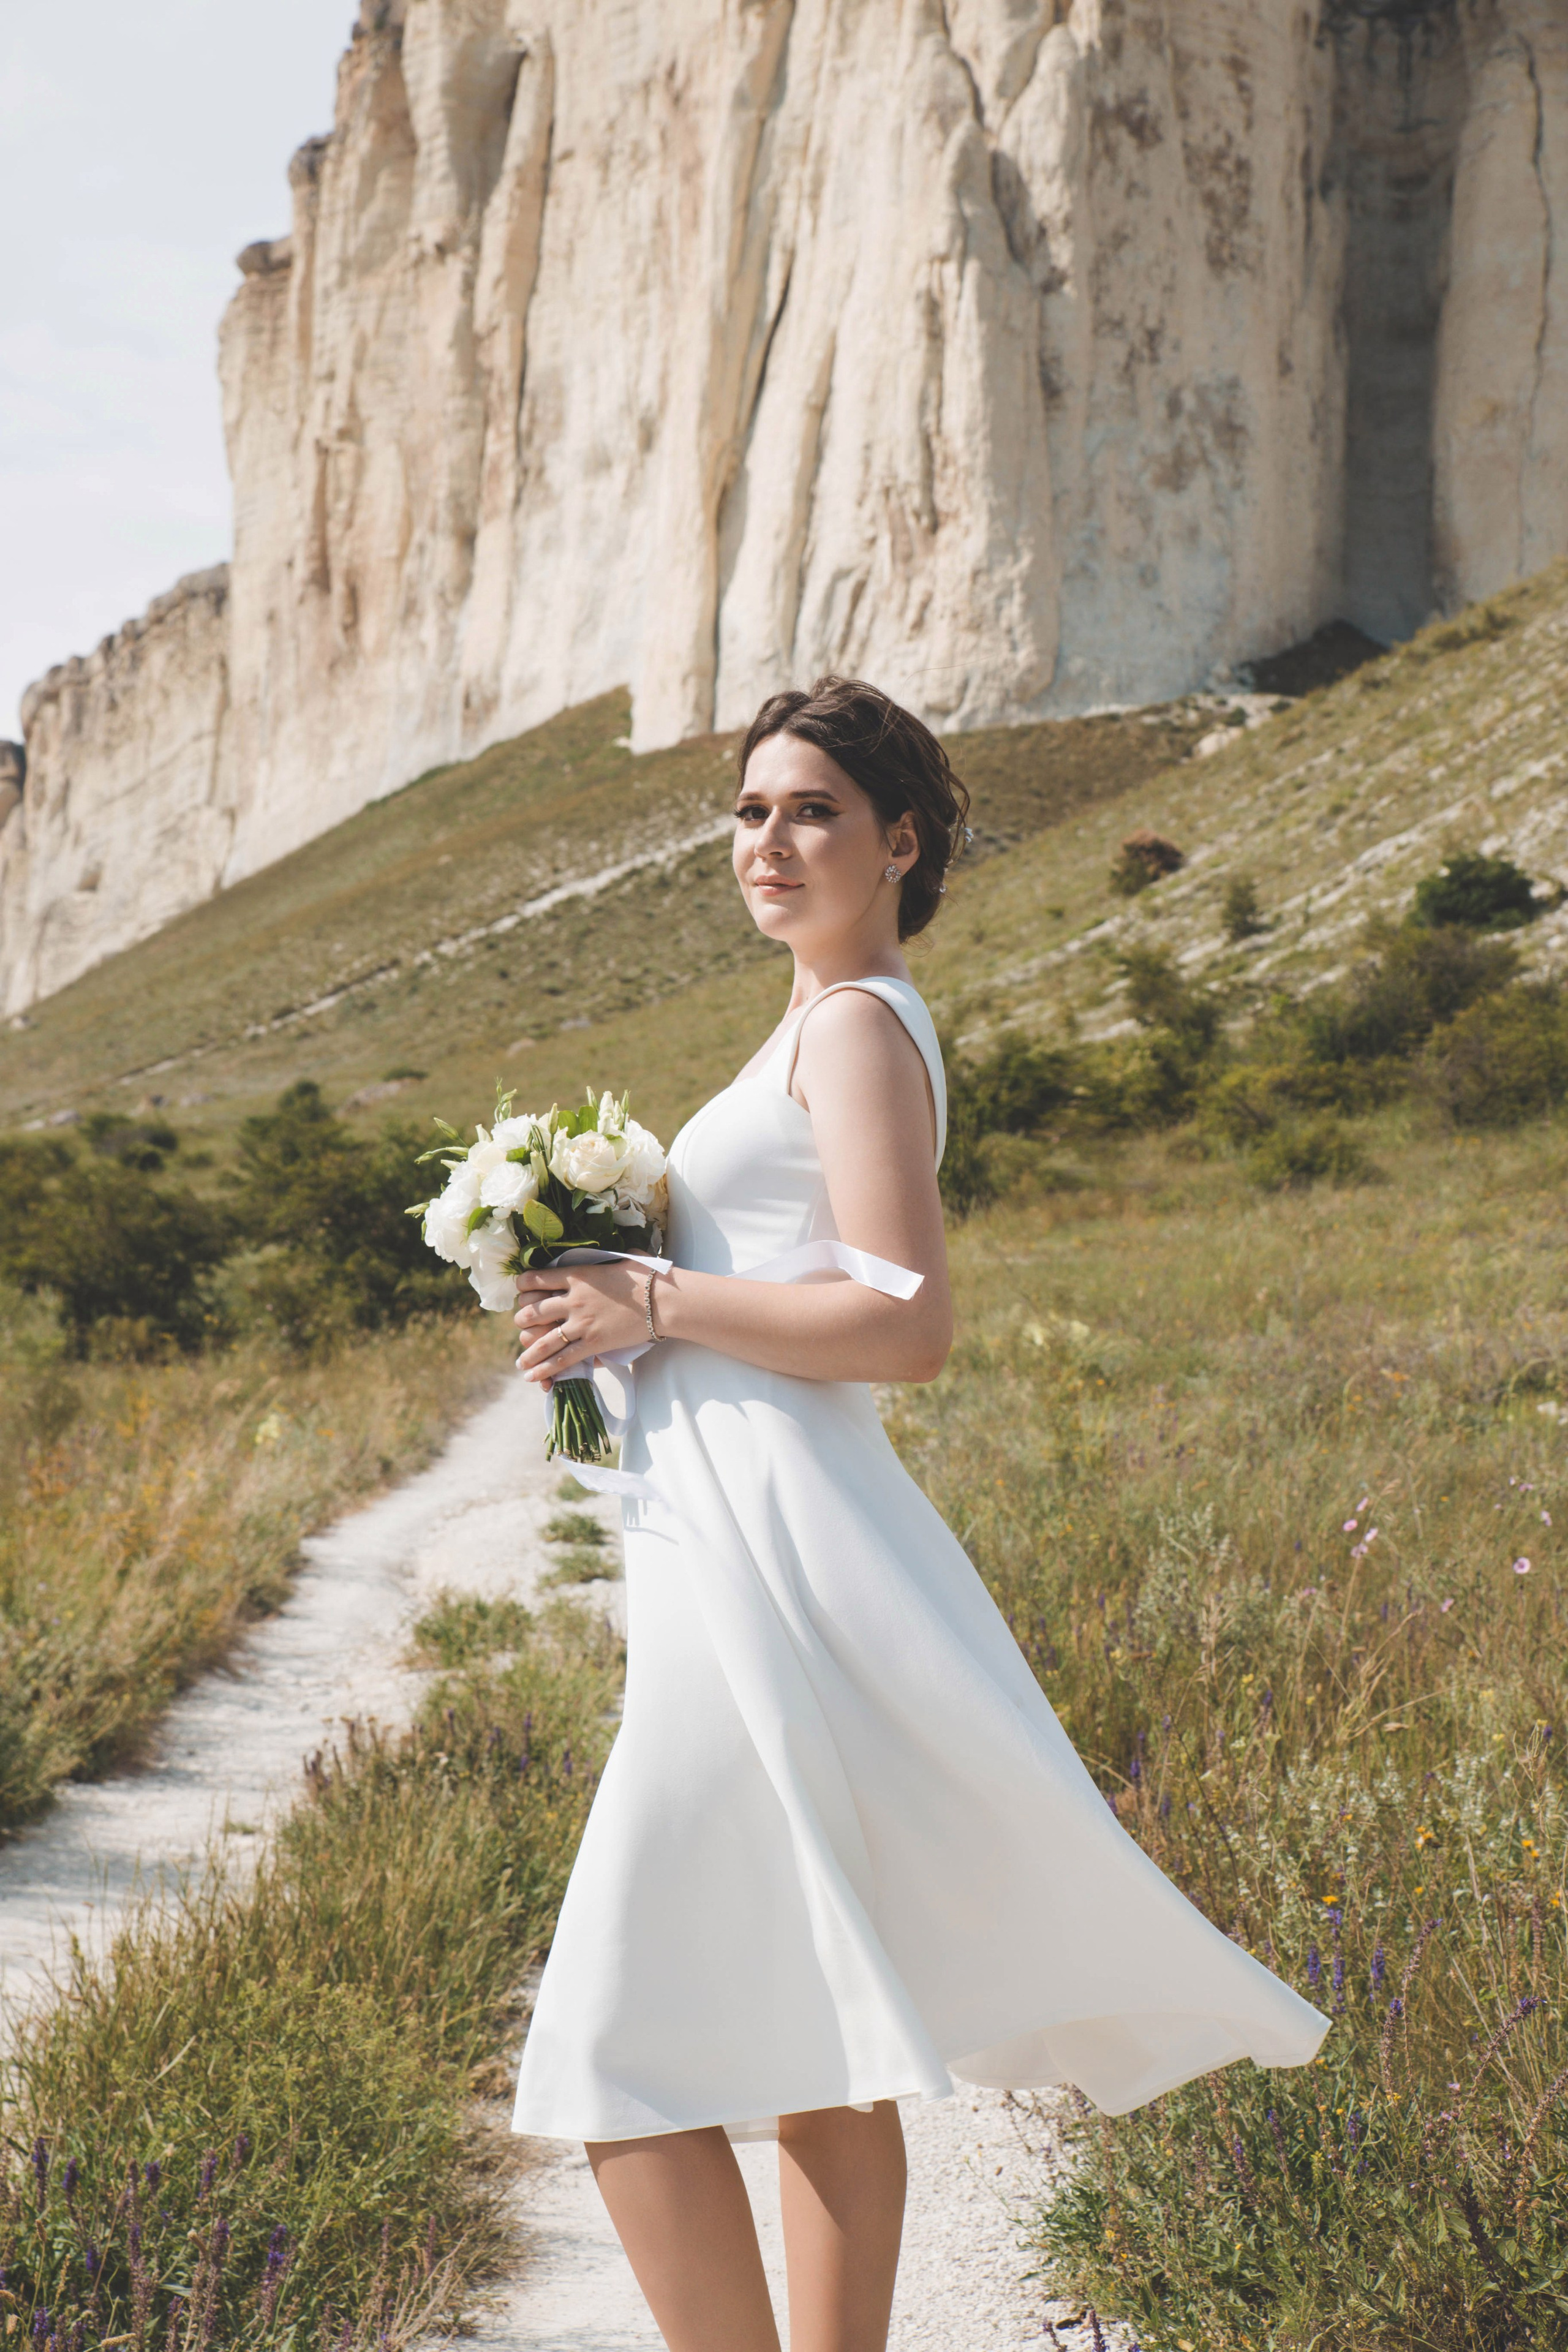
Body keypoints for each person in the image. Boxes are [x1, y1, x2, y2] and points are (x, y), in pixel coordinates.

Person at [507, 677, 1327, 2352]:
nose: (771, 842)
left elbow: (905, 1322)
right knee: (806, 2047)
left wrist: (654, 1297)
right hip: (731, 1563)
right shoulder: (818, 1014)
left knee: (618, 2059)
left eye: (811, 811)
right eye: (749, 812)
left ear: (904, 839)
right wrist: (608, 1320)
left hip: (777, 1574)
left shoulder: (859, 1023)